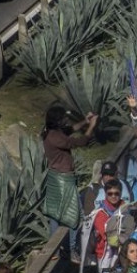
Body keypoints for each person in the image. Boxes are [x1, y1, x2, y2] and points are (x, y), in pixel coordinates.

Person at [42, 105, 99, 262]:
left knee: (55, 214)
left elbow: (70, 129)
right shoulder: (56, 137)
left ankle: (54, 250)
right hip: (63, 180)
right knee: (75, 215)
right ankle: (71, 249)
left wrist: (84, 122)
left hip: (55, 177)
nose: (66, 120)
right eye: (63, 118)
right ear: (58, 121)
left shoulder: (52, 132)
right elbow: (79, 142)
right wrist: (91, 127)